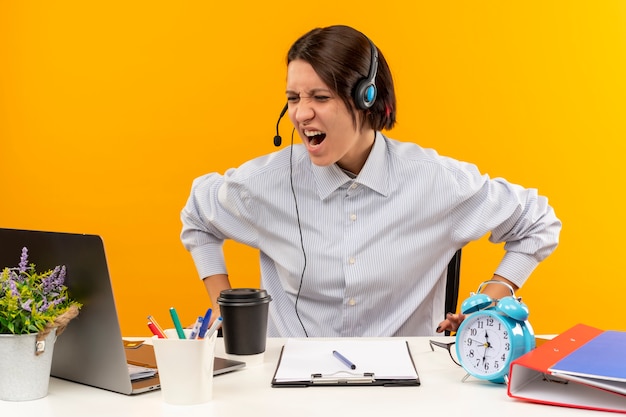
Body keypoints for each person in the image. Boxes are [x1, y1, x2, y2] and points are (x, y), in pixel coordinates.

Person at [180, 25, 561, 337]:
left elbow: (537, 223)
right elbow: (198, 214)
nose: (301, 114)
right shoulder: (267, 182)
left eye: (320, 97)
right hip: (289, 384)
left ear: (366, 97)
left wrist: (490, 303)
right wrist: (223, 309)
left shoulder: (434, 181)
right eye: (293, 98)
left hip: (407, 382)